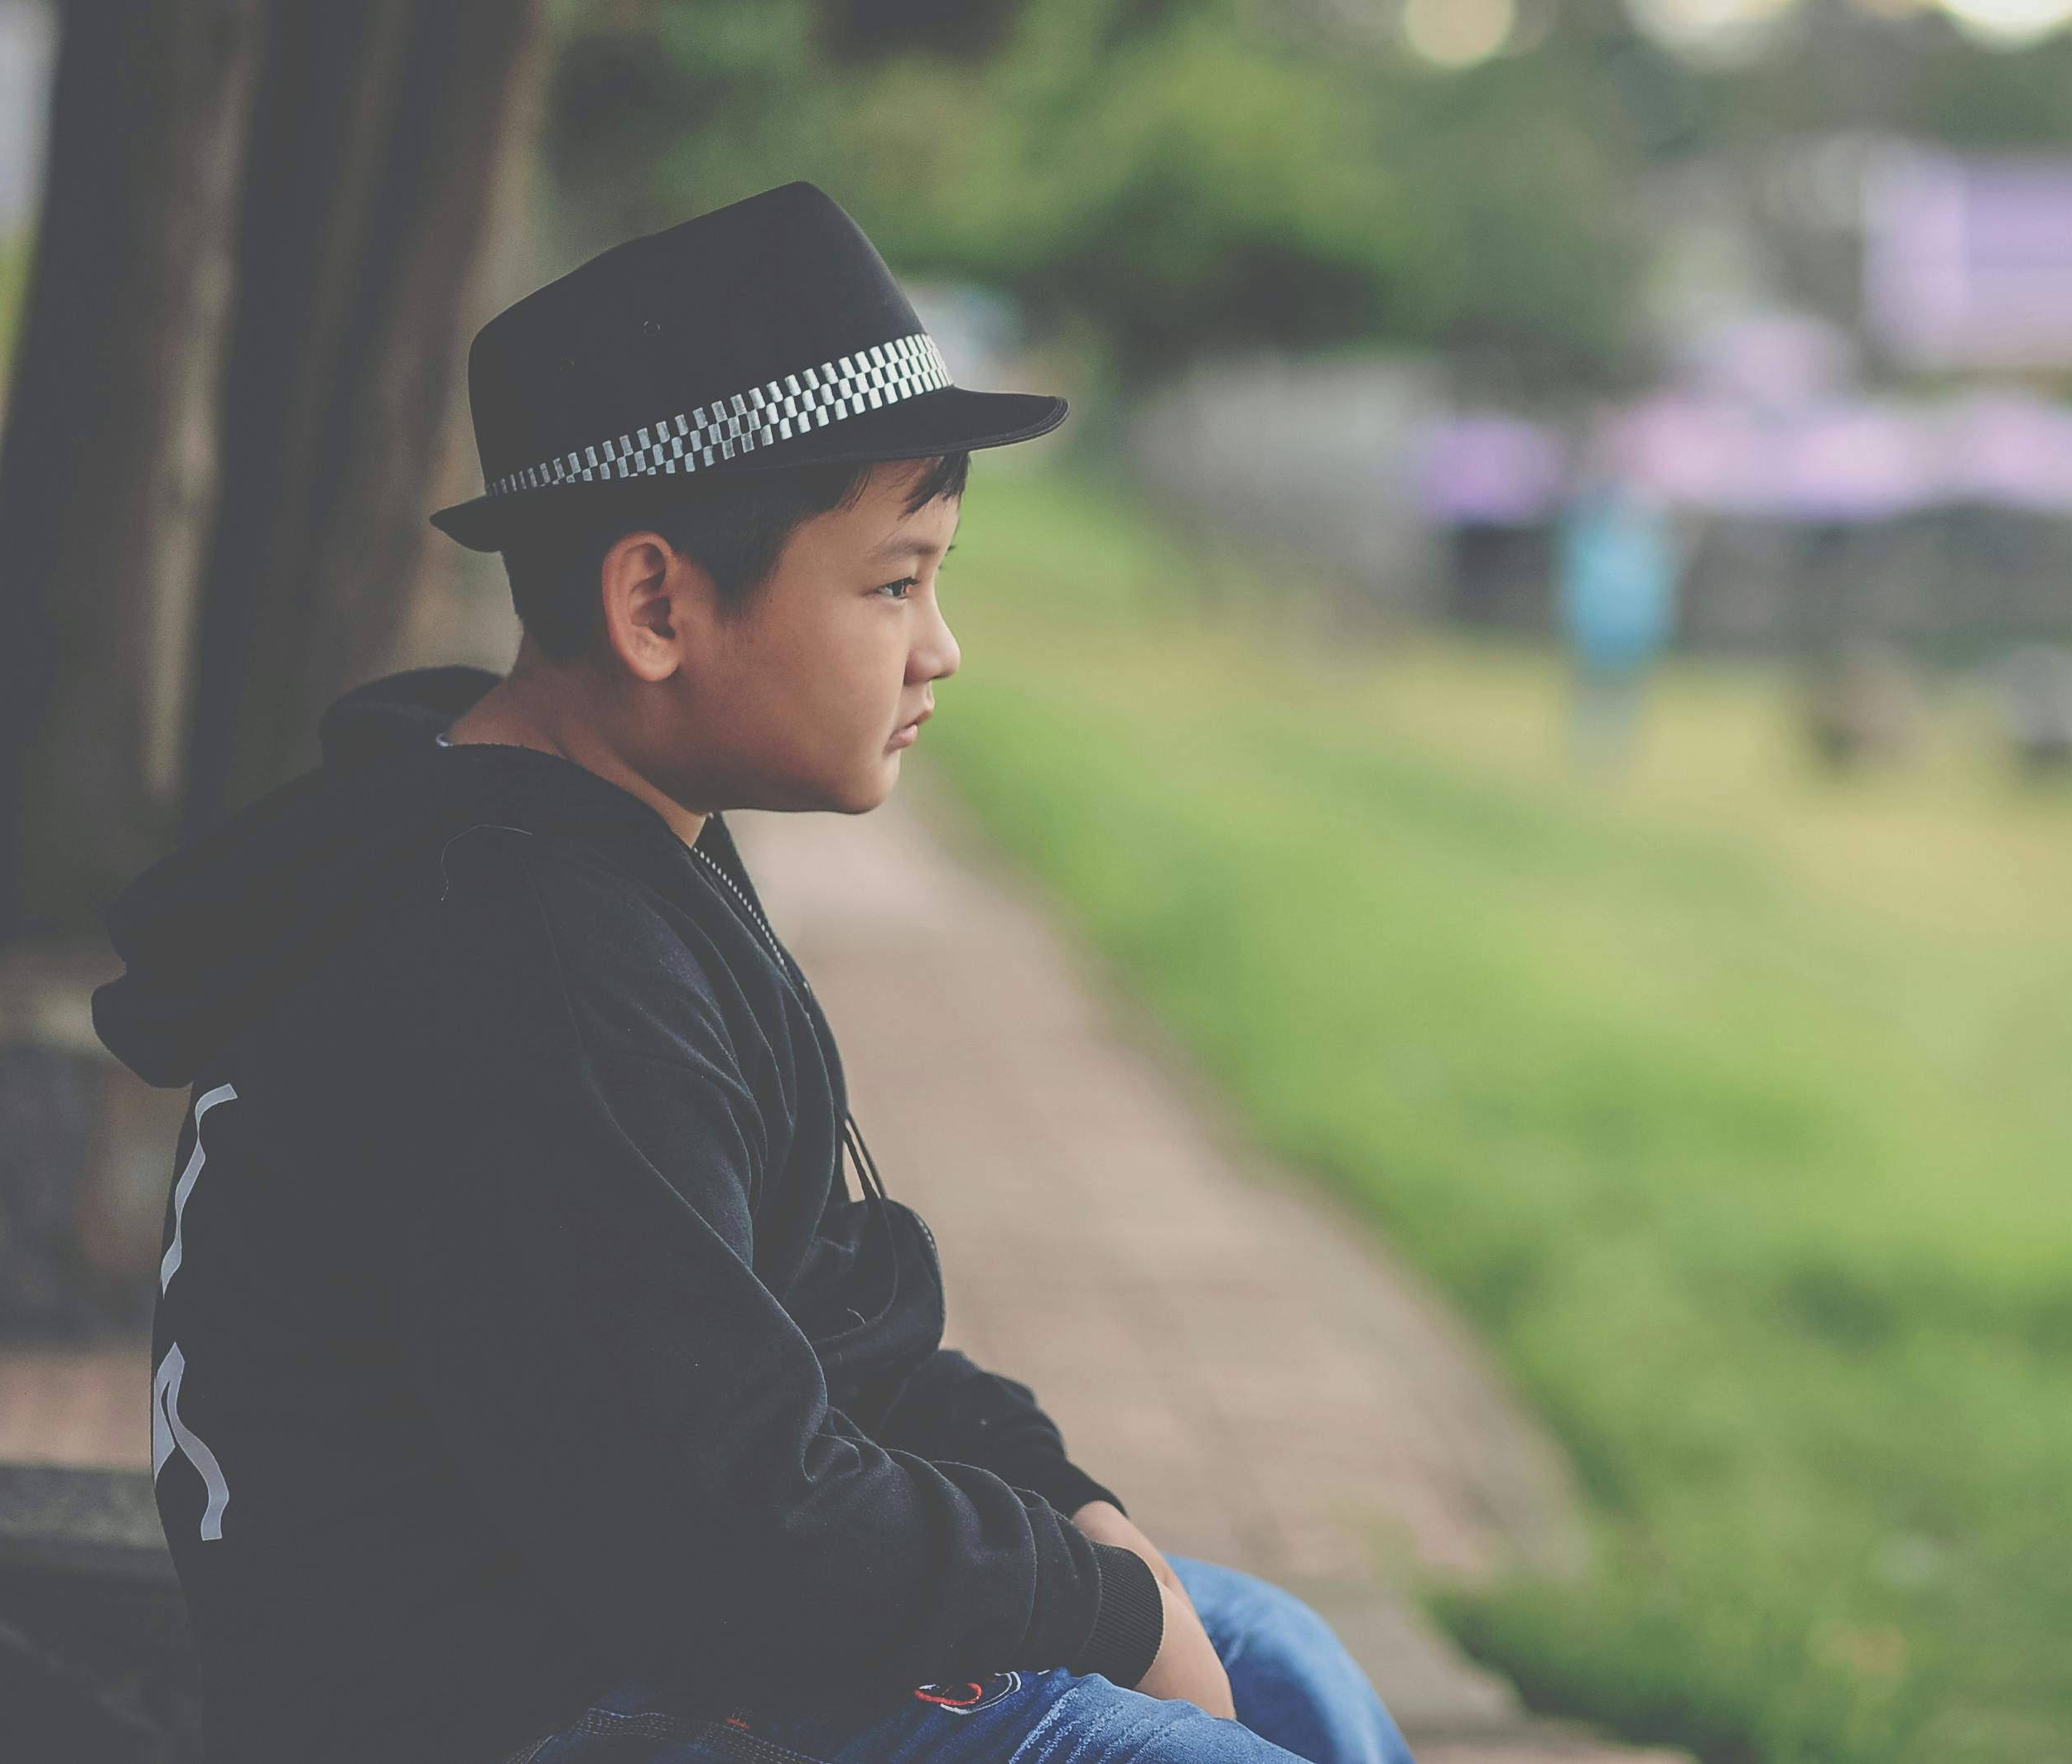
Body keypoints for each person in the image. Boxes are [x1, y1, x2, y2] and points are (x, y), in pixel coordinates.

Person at [90, 184, 1410, 1764]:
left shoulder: (606, 847)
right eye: (892, 581)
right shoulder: (524, 960)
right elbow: (738, 1538)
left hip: (625, 1604)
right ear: (657, 602)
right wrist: (1100, 1615)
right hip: (517, 1707)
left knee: (1279, 1651)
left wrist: (1076, 1515)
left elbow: (828, 1305)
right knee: (1156, 1738)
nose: (943, 646)